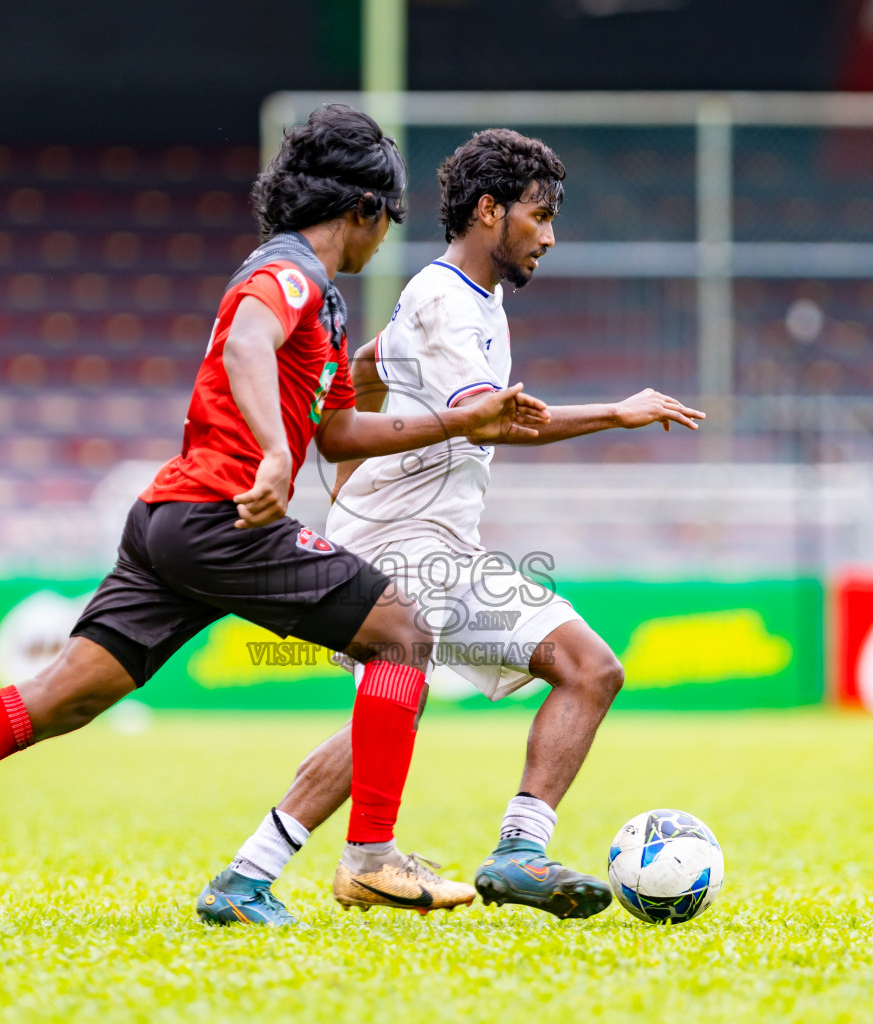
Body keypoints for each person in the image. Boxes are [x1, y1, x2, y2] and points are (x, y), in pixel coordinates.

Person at [0, 104, 551, 925]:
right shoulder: (292, 270)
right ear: (363, 209)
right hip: (226, 516)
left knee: (66, 694)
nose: (386, 239)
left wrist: (460, 420)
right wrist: (275, 454)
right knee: (403, 634)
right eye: (388, 222)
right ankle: (371, 857)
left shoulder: (325, 305)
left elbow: (340, 430)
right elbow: (245, 338)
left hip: (170, 517)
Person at [197, 128, 704, 926]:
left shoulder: (455, 297)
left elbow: (364, 364)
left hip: (400, 534)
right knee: (590, 668)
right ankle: (517, 849)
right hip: (408, 543)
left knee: (388, 711)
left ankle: (247, 875)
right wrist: (618, 411)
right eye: (538, 216)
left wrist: (343, 425)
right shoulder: (446, 302)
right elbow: (496, 423)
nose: (550, 235)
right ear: (488, 210)